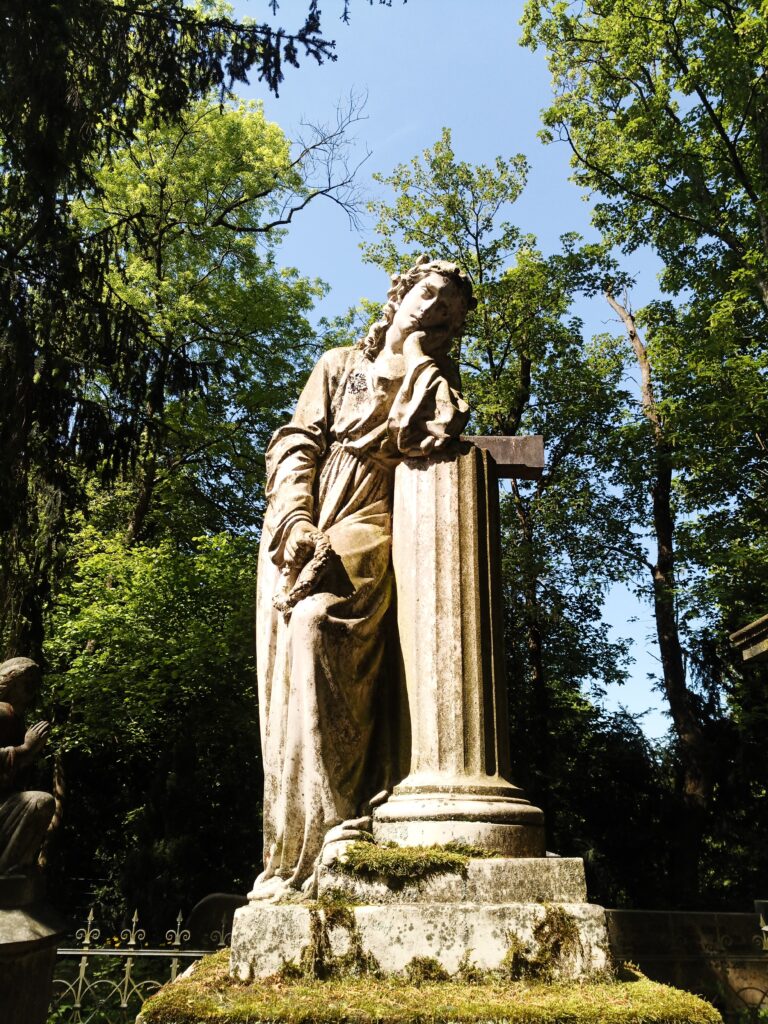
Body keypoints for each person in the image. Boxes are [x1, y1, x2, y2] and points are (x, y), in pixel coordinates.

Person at [252, 257, 476, 900]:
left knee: (319, 624)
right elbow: (296, 443)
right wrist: (295, 518)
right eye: (426, 291)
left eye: (449, 306)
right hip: (317, 507)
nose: (434, 305)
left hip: (378, 513)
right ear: (400, 292)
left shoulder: (436, 374)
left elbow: (430, 434)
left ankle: (340, 821)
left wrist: (418, 355)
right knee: (297, 639)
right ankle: (303, 837)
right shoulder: (339, 364)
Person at [0, 657, 54, 875]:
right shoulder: (3, 712)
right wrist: (26, 748)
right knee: (40, 803)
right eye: (27, 681)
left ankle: (11, 870)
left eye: (35, 682)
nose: (32, 688)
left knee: (40, 803)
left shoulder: (13, 716)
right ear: (10, 682)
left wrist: (29, 752)